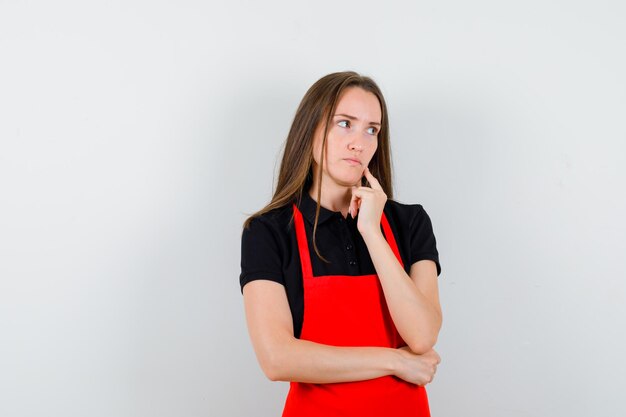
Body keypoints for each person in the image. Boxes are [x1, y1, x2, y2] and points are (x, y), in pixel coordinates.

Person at [239, 71, 443, 416]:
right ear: (311, 130)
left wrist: (372, 233)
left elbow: (422, 336)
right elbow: (277, 358)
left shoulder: (410, 222)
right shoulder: (269, 232)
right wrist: (395, 361)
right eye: (345, 123)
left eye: (372, 129)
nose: (358, 142)